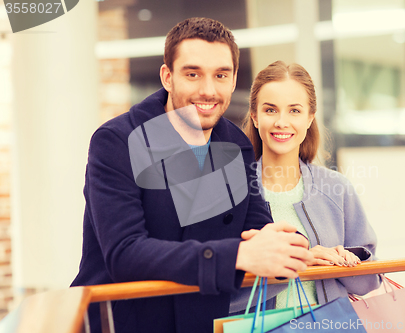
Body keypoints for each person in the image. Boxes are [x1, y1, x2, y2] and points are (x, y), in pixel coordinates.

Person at [71, 19, 313, 333]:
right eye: (193, 74)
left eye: (221, 75)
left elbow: (255, 227)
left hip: (201, 320)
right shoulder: (118, 140)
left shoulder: (235, 144)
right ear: (167, 77)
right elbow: (125, 252)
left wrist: (290, 245)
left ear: (233, 78)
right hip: (124, 321)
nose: (208, 90)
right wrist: (240, 254)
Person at [230, 60, 380, 312]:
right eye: (270, 110)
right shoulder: (230, 192)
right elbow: (217, 289)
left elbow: (370, 280)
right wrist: (302, 262)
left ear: (310, 117)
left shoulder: (336, 188)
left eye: (294, 111)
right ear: (254, 117)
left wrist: (341, 262)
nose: (281, 122)